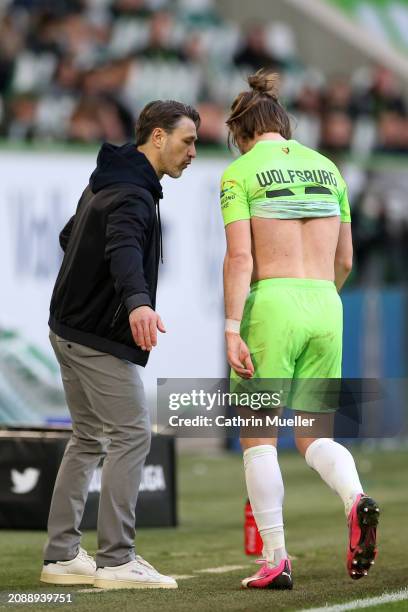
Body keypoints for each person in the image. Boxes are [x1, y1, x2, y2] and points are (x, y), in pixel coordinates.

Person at [220, 70, 380, 590]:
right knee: (314, 436)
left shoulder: (240, 172)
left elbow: (240, 257)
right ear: (284, 126)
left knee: (259, 440)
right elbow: (347, 258)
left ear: (242, 134)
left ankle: (276, 559)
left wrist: (230, 327)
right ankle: (355, 498)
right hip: (326, 304)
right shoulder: (330, 169)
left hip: (274, 303)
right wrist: (321, 294)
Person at [40, 100, 199, 589]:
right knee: (133, 434)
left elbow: (72, 236)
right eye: (186, 140)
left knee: (88, 438)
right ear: (156, 136)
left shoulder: (109, 178)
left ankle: (62, 556)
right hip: (94, 339)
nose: (192, 151)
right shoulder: (132, 193)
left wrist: (96, 285)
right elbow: (124, 247)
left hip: (66, 327)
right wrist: (134, 302)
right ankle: (116, 560)